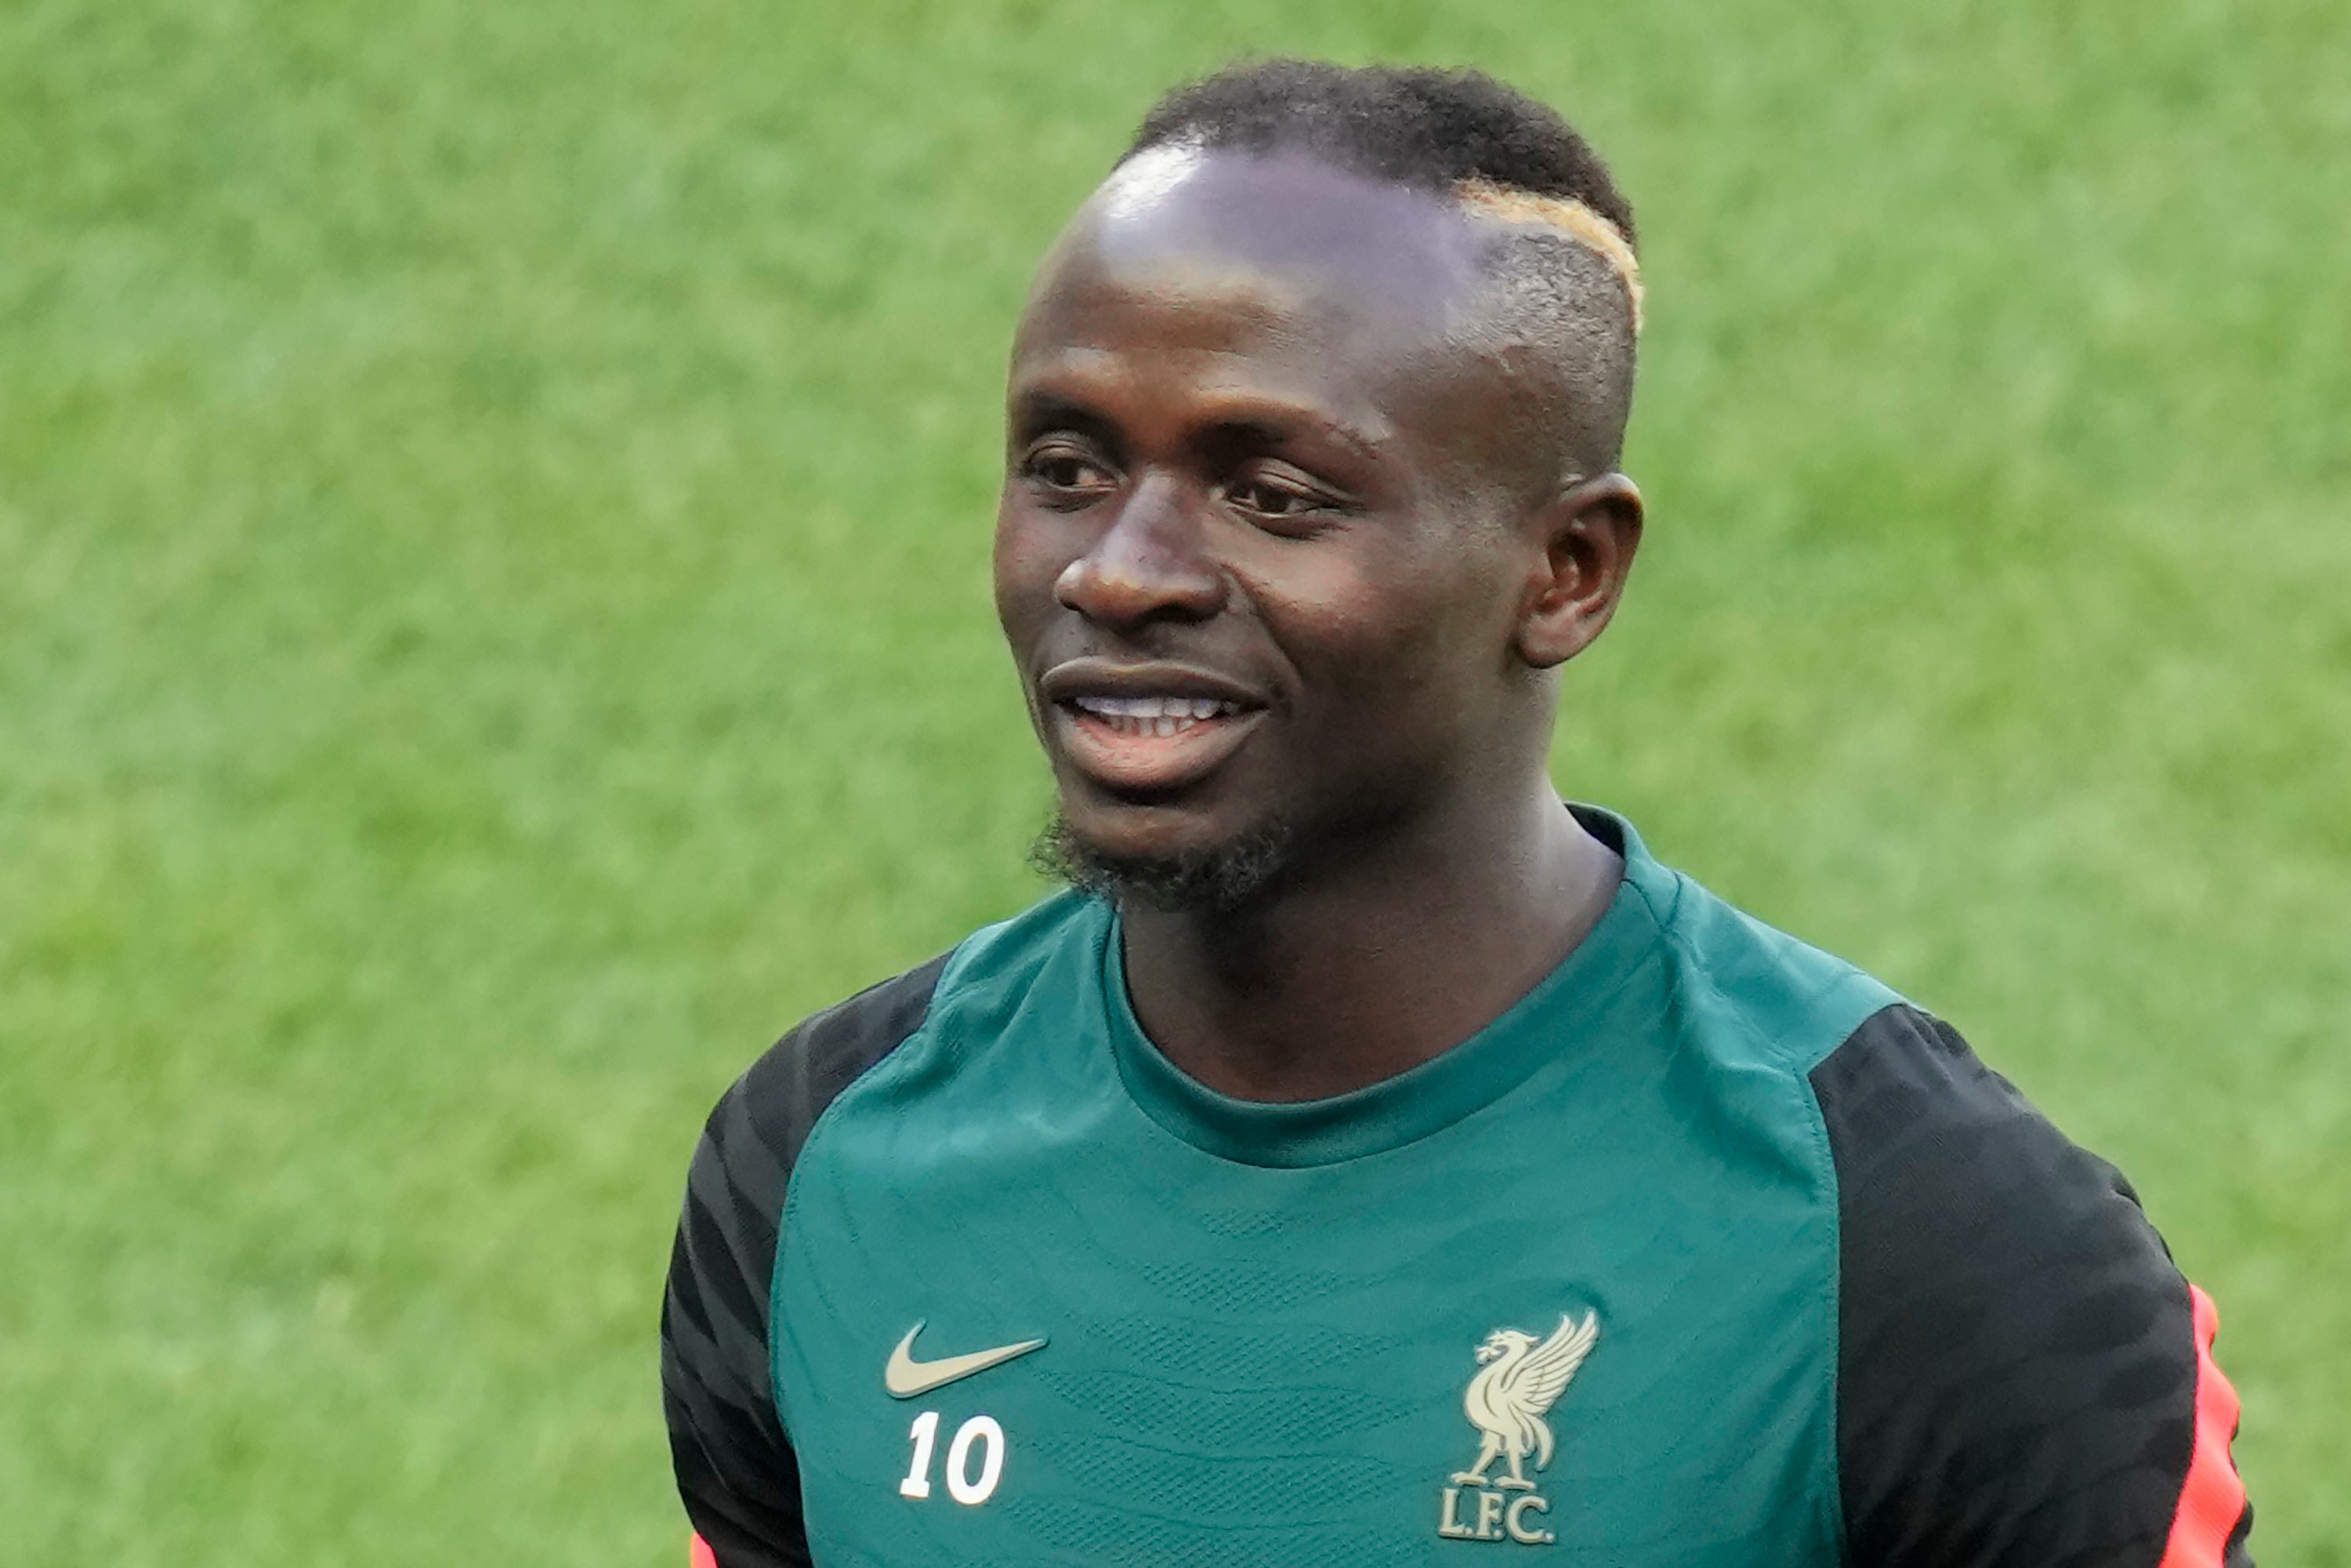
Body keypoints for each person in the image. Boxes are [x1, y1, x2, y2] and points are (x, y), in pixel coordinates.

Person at [660, 60, 2254, 1566]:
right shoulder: (823, 1167)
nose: (1120, 569)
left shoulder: (1930, 1247)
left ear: (1567, 573)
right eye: (1067, 464)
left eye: (1275, 493)